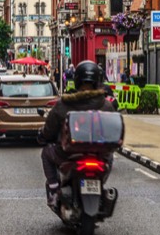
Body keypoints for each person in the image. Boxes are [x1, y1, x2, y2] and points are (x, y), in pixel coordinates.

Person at [38, 60, 118, 210]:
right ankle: (100, 184)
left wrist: (43, 136)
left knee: (46, 152)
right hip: (98, 153)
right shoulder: (105, 105)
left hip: (69, 153)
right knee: (110, 156)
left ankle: (54, 190)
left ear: (76, 80)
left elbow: (50, 127)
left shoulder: (64, 104)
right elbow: (113, 128)